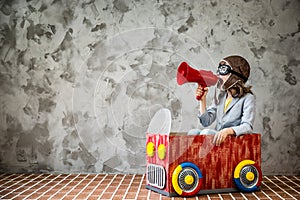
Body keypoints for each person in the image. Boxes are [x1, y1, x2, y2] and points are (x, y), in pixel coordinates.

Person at [188, 55, 255, 146]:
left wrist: (228, 131)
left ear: (236, 74)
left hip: (233, 140)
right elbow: (206, 122)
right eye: (219, 70)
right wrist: (202, 100)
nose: (219, 74)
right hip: (219, 138)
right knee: (193, 133)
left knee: (206, 133)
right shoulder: (221, 96)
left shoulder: (247, 98)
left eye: (223, 70)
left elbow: (247, 126)